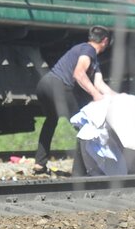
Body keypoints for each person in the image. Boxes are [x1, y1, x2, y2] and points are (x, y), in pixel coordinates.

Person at [33, 26, 113, 174]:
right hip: (58, 86)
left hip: (44, 85)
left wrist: (117, 96)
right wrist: (95, 95)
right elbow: (78, 73)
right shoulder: (88, 50)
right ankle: (79, 172)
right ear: (105, 41)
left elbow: (99, 83)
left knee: (51, 120)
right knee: (84, 127)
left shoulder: (90, 56)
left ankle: (39, 163)